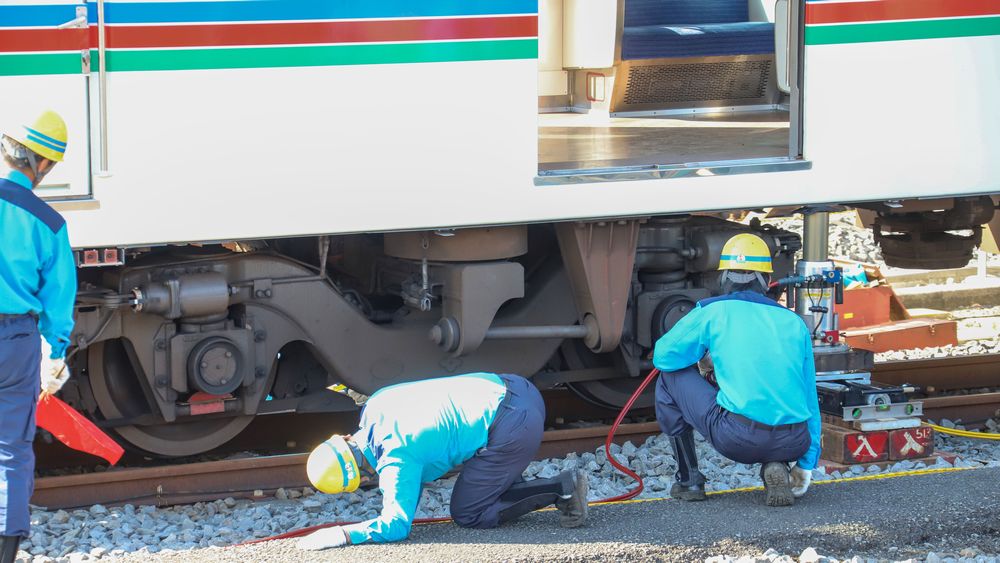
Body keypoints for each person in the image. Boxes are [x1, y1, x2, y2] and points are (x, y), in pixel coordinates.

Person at [297, 372, 589, 549]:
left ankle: (563, 488)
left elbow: (396, 526)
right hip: (518, 387)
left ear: (361, 478)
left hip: (514, 426)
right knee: (483, 478)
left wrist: (344, 535)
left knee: (468, 512)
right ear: (343, 439)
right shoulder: (375, 406)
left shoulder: (396, 463)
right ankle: (515, 484)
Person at [651, 233, 820, 507]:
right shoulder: (794, 322)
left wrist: (706, 358)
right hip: (795, 440)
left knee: (670, 377)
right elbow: (810, 396)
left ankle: (689, 480)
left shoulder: (712, 312)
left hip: (739, 439)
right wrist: (806, 462)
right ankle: (776, 465)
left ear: (723, 277)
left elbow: (664, 357)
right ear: (765, 280)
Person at [0, 110, 77, 562]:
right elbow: (59, 297)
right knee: (10, 447)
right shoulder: (48, 222)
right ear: (43, 165)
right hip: (16, 342)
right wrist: (57, 350)